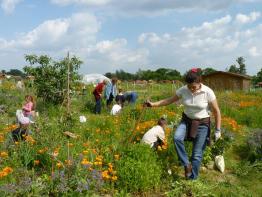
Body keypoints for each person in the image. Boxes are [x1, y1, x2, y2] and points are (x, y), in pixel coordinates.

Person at [145, 68, 221, 180]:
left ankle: (192, 178)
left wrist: (218, 130)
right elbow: (169, 100)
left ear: (200, 82)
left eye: (193, 87)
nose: (191, 89)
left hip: (202, 124)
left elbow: (216, 111)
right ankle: (186, 164)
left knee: (197, 153)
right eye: (189, 87)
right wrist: (153, 104)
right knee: (177, 138)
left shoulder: (207, 92)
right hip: (186, 121)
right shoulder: (184, 90)